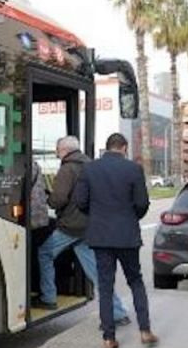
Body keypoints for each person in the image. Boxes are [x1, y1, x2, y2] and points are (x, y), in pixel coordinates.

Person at [32, 136, 131, 329]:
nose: (57, 153)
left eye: (58, 150)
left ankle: (48, 297)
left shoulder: (67, 168)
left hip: (72, 227)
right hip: (91, 227)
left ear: (64, 150)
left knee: (44, 253)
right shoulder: (94, 166)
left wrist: (48, 198)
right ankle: (118, 313)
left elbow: (58, 200)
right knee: (97, 272)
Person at [74, 133, 158, 348]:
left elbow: (80, 201)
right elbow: (142, 203)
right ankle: (145, 330)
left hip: (100, 236)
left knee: (105, 286)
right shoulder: (133, 169)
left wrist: (97, 216)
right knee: (135, 281)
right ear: (124, 147)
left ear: (107, 147)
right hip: (127, 235)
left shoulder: (90, 169)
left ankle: (108, 338)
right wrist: (130, 218)